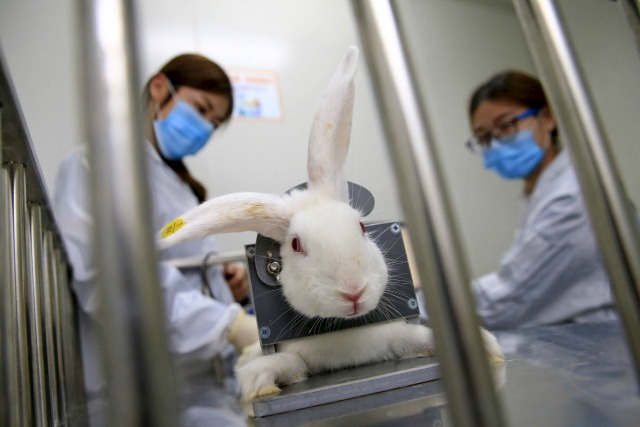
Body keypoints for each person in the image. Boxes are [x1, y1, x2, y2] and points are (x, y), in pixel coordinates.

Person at [53, 53, 258, 426]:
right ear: (160, 88)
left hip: (203, 385)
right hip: (137, 391)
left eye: (214, 124)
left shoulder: (181, 187)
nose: (205, 129)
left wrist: (227, 284)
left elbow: (182, 270)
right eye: (201, 109)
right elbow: (112, 276)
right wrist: (226, 325)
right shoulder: (96, 166)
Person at [465, 70, 617, 330]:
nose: (496, 143)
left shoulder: (573, 198)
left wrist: (419, 305)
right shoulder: (541, 194)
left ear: (547, 117)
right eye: (483, 137)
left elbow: (506, 301)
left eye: (505, 126)